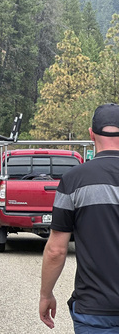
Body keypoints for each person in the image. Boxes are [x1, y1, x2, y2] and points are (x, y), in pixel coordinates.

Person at [39, 103, 119, 332]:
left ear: (91, 134)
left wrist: (46, 294)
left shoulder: (74, 180)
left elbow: (56, 251)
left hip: (94, 311)